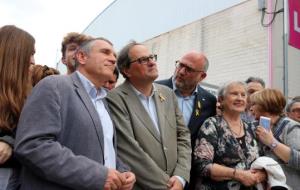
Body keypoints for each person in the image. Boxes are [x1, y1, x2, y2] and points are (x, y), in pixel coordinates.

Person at [14, 38, 135, 190]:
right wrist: (96, 175)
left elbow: (104, 149)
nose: (112, 59)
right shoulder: (54, 85)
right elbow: (32, 145)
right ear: (82, 57)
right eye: (105, 52)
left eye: (114, 56)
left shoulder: (103, 101)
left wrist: (122, 171)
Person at [107, 41, 191, 190]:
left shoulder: (168, 94)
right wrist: (166, 186)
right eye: (143, 60)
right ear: (127, 70)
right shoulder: (115, 99)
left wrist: (180, 177)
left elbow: (183, 136)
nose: (152, 62)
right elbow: (129, 150)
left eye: (152, 57)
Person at [193, 81, 266, 190]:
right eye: (234, 94)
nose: (239, 98)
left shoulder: (251, 128)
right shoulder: (212, 125)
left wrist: (262, 174)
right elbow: (202, 165)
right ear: (221, 100)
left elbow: (262, 160)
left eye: (243, 95)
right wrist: (239, 175)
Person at [156, 51, 216, 149]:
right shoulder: (154, 89)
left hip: (189, 162)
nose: (181, 72)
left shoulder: (209, 101)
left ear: (202, 76)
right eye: (180, 65)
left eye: (189, 69)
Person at [0, 25, 35, 190]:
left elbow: (33, 134)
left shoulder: (28, 94)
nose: (34, 61)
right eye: (31, 53)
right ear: (14, 53)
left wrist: (9, 143)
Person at [251, 89, 300, 189]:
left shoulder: (290, 127)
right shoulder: (253, 127)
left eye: (254, 104)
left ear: (265, 104)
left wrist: (272, 142)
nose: (251, 108)